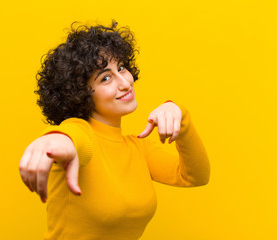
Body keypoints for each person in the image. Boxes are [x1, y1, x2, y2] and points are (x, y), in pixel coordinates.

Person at [19, 20, 210, 240]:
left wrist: (180, 114)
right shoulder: (80, 134)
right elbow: (73, 138)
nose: (125, 83)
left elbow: (195, 176)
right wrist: (54, 142)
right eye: (106, 78)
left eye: (120, 68)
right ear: (80, 94)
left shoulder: (139, 148)